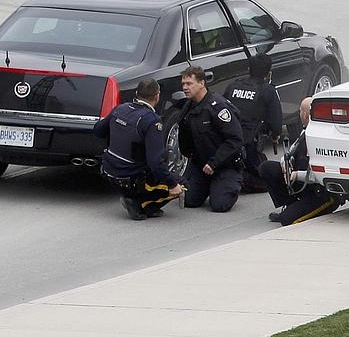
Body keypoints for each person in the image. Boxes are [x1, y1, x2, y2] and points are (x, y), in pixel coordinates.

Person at [95, 78, 185, 220]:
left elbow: (98, 131)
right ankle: (140, 203)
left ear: (137, 93)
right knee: (183, 183)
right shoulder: (152, 121)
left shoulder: (120, 108)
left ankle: (138, 200)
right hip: (131, 178)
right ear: (157, 96)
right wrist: (173, 184)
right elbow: (155, 163)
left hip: (108, 171)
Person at [260, 96, 343, 225]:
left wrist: (297, 175)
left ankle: (304, 211)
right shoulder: (305, 132)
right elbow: (291, 152)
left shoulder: (322, 138)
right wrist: (285, 165)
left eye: (300, 111)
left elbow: (324, 174)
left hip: (321, 193)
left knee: (287, 220)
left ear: (304, 115)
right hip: (304, 186)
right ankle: (291, 204)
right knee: (267, 167)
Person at [175, 65, 244, 212]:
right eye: (183, 84)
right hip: (202, 165)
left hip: (224, 165)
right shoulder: (188, 107)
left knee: (220, 205)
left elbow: (235, 140)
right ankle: (207, 185)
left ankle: (231, 183)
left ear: (201, 83)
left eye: (189, 84)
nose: (185, 88)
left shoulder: (218, 107)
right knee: (188, 200)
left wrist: (214, 163)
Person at [224, 54, 283, 193]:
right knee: (268, 179)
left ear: (249, 68)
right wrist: (275, 135)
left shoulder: (233, 86)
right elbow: (276, 123)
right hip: (249, 145)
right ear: (269, 73)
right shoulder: (268, 91)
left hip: (225, 143)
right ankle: (239, 179)